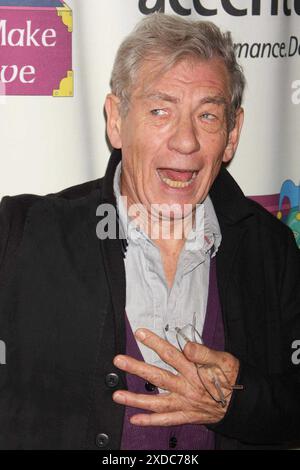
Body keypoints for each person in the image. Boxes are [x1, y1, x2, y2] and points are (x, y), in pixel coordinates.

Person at [0, 13, 299, 451]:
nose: (186, 141)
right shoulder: (22, 235)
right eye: (160, 110)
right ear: (116, 120)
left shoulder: (271, 249)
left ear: (232, 135)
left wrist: (238, 400)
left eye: (208, 116)